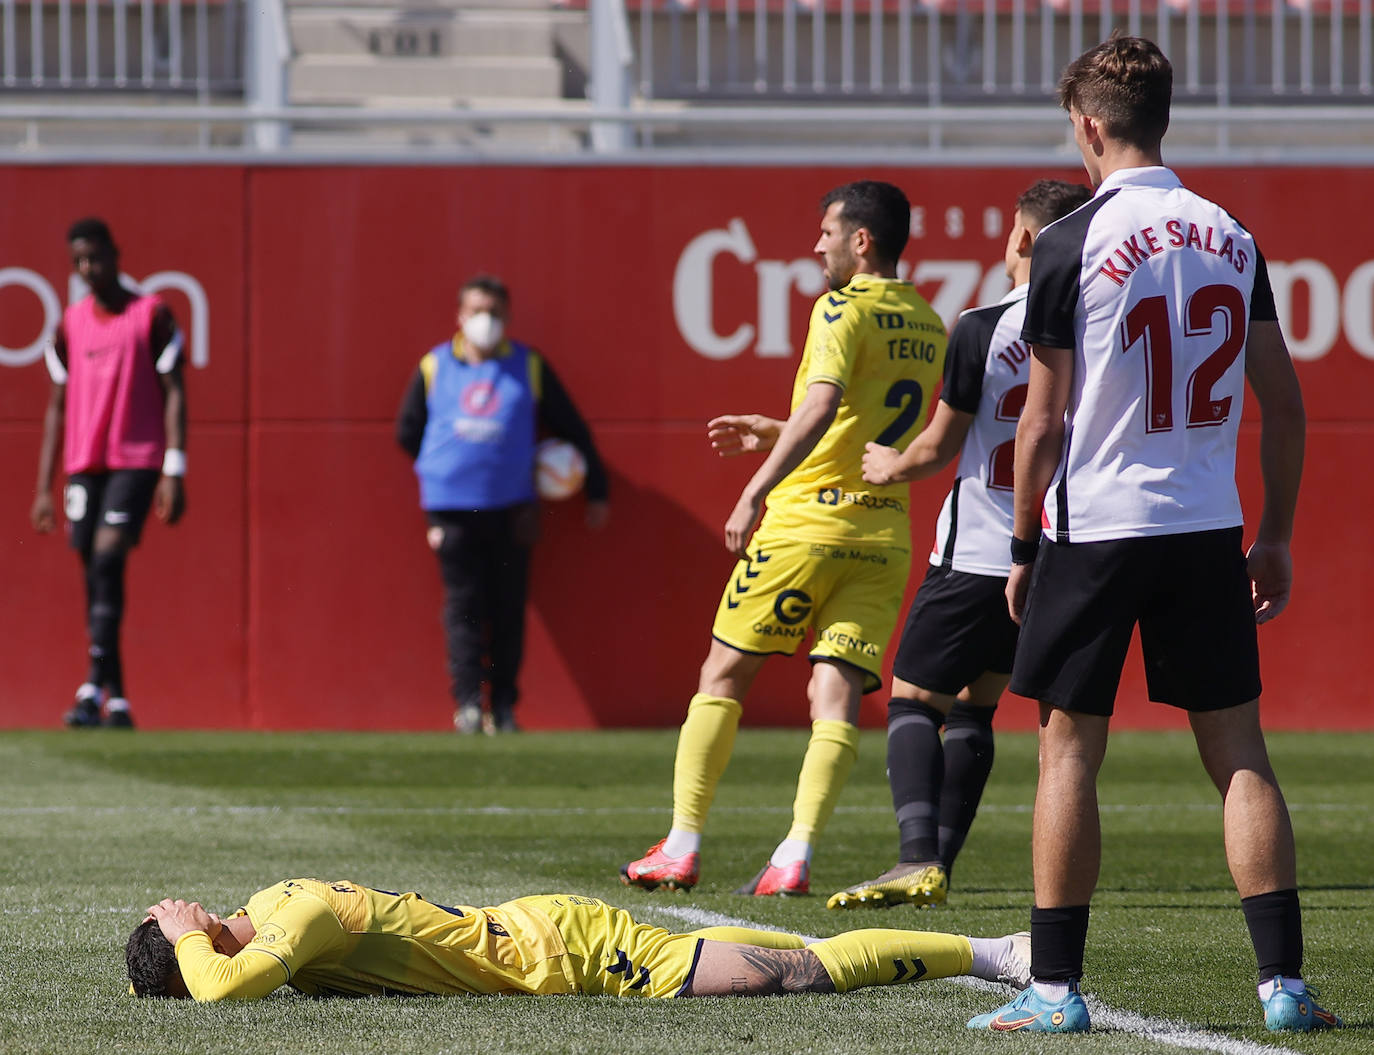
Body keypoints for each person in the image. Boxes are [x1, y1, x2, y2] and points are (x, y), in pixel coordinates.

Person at [968, 36, 1341, 1034]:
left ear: (1088, 125)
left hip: (1096, 525)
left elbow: (1041, 419)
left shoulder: (1068, 241)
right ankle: (1284, 985)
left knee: (1066, 751)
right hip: (1205, 521)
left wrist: (1017, 547)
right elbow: (1288, 406)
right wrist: (1279, 534)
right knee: (1240, 751)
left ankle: (1055, 987)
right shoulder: (1230, 232)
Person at [621, 181, 948, 897]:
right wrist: (777, 430)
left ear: (862, 240)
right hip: (883, 534)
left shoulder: (840, 306)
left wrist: (754, 485)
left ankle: (680, 844)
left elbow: (825, 401)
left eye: (827, 231)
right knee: (833, 695)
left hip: (805, 525)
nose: (816, 245)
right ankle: (795, 853)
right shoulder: (929, 320)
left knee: (721, 675)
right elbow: (875, 422)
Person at [829, 180, 1092, 913]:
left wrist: (889, 462)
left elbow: (940, 444)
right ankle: (938, 863)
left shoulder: (983, 323)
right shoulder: (1098, 327)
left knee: (913, 700)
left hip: (977, 547)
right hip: (1048, 553)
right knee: (977, 708)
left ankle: (916, 856)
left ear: (1024, 242)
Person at [126, 877, 1031, 1001]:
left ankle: (994, 954)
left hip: (569, 952)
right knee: (754, 949)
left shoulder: (296, 924)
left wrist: (182, 947)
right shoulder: (266, 911)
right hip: (542, 932)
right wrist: (178, 945)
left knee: (788, 977)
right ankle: (989, 951)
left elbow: (219, 991)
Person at [396, 274, 609, 735]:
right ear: (459, 316)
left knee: (509, 607)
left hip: (513, 508)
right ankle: (469, 705)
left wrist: (597, 489)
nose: (484, 321)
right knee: (464, 605)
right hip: (451, 508)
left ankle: (505, 707)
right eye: (476, 311)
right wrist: (449, 469)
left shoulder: (528, 366)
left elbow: (570, 426)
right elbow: (407, 431)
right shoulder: (435, 366)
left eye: (493, 312)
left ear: (508, 317)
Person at [30, 217, 188, 730]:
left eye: (94, 257)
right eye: (78, 261)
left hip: (136, 458)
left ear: (115, 254)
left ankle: (90, 686)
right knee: (96, 577)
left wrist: (174, 467)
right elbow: (56, 405)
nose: (87, 268)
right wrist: (43, 487)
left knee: (107, 557)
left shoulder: (151, 316)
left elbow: (175, 393)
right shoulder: (70, 324)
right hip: (84, 462)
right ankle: (114, 698)